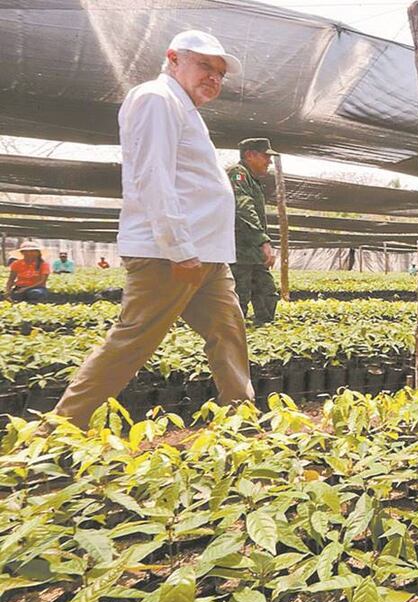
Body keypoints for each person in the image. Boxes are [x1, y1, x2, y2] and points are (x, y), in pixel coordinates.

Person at [55, 30, 253, 429]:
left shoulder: (184, 109)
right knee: (132, 343)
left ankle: (241, 421)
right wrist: (179, 248)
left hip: (207, 256)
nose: (213, 78)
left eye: (219, 73)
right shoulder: (156, 99)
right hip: (171, 255)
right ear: (173, 59)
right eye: (204, 66)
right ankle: (57, 430)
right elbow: (152, 176)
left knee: (228, 333)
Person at [228, 137, 279, 325]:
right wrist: (262, 240)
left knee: (267, 293)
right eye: (266, 156)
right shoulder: (238, 174)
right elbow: (242, 207)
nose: (269, 161)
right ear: (250, 155)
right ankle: (235, 338)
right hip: (240, 251)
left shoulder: (253, 180)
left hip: (253, 252)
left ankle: (264, 331)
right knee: (238, 298)